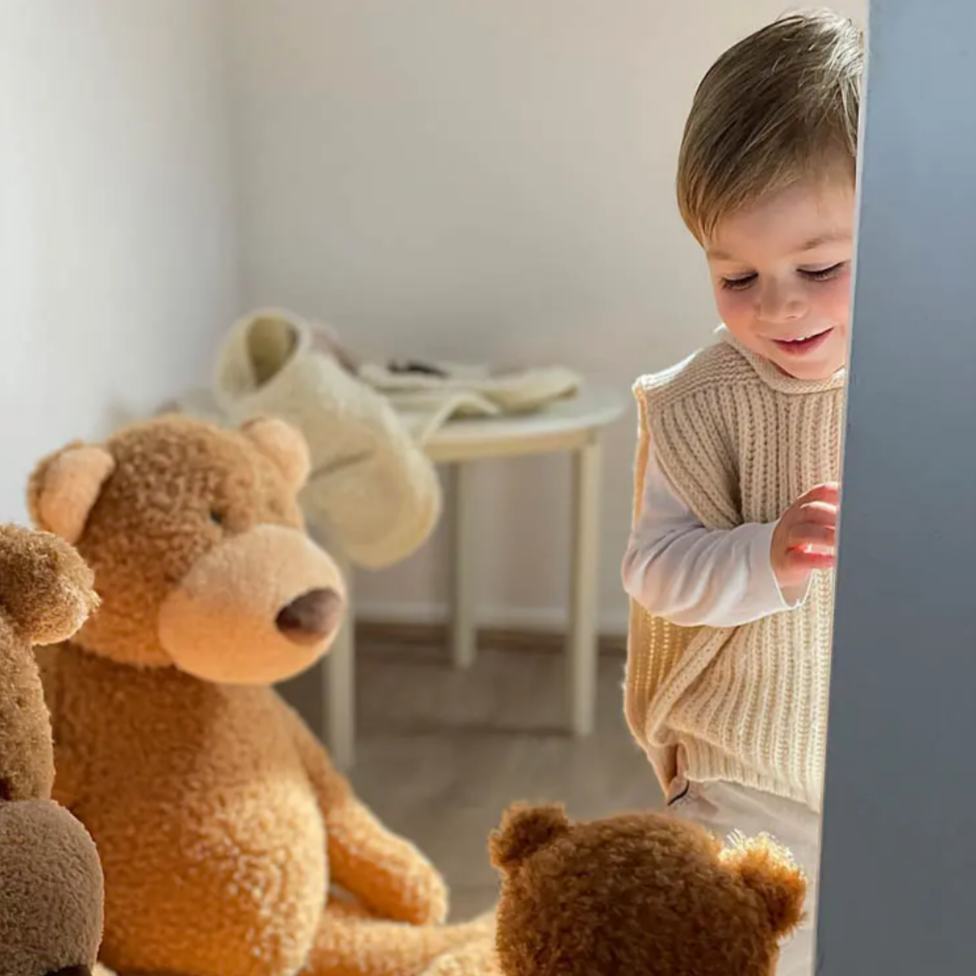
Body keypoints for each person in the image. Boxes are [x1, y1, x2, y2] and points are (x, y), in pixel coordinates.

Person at [621, 9, 863, 974]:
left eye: (821, 267)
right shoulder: (698, 404)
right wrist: (762, 555)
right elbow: (656, 571)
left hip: (890, 767)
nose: (780, 305)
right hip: (741, 770)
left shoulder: (931, 374)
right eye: (736, 276)